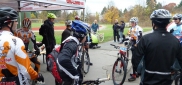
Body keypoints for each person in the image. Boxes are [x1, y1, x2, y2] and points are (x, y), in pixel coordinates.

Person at [133, 9, 182, 85]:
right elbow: (180, 60)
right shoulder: (175, 41)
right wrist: (174, 70)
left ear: (153, 23)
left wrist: (138, 71)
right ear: (167, 23)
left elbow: (137, 58)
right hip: (167, 79)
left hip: (148, 79)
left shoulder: (146, 39)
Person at [0, 7, 44, 85]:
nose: (17, 23)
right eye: (16, 21)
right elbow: (25, 69)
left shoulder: (30, 33)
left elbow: (34, 42)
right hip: (15, 80)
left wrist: (37, 48)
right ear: (9, 23)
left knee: (37, 62)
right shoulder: (16, 40)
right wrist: (36, 76)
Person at [57, 20, 89, 85]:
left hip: (66, 75)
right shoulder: (72, 44)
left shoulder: (73, 41)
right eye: (86, 36)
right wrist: (75, 75)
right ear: (81, 36)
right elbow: (62, 60)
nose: (86, 38)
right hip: (66, 78)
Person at [128, 17, 143, 81]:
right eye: (131, 22)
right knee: (133, 60)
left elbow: (140, 37)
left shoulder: (139, 28)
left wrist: (136, 44)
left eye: (133, 22)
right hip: (132, 44)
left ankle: (135, 74)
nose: (131, 23)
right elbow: (130, 36)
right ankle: (136, 72)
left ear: (136, 23)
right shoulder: (131, 28)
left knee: (134, 60)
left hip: (137, 45)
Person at [169, 13, 182, 84]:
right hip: (174, 47)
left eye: (176, 19)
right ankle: (175, 73)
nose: (174, 20)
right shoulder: (174, 27)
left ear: (180, 19)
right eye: (174, 19)